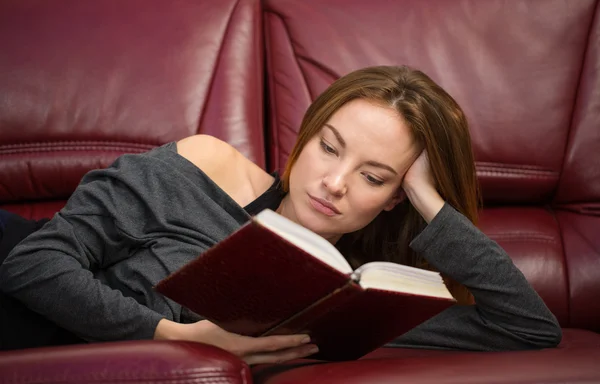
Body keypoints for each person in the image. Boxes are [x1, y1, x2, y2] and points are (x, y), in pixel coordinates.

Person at [0, 65, 561, 363]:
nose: (334, 183)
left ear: (395, 198)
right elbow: (33, 261)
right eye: (329, 147)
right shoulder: (206, 166)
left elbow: (527, 328)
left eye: (373, 177)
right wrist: (174, 335)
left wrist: (430, 202)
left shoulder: (354, 301)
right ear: (307, 133)